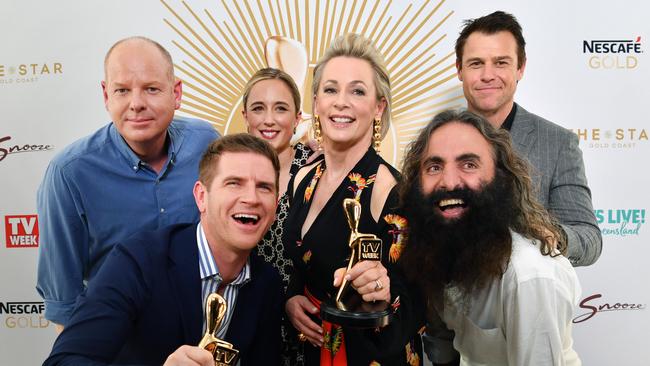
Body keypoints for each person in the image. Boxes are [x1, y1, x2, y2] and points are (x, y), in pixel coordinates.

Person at [43, 134, 282, 366]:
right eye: (233, 183)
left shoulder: (267, 283)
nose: (251, 198)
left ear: (276, 203)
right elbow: (64, 361)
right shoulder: (138, 261)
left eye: (264, 187)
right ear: (201, 197)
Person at [36, 36, 219, 331]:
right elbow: (65, 308)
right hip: (119, 345)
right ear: (106, 96)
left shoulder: (206, 141)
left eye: (151, 89)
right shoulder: (69, 174)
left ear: (177, 93)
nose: (136, 104)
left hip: (202, 335)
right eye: (122, 90)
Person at [399, 110, 582, 365]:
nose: (449, 182)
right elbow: (443, 348)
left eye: (469, 165)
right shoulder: (441, 250)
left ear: (501, 177)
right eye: (434, 166)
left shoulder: (528, 276)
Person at [283, 33, 423, 365]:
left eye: (357, 91)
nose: (341, 102)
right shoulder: (303, 177)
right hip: (312, 348)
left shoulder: (391, 190)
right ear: (316, 102)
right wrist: (291, 298)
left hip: (371, 356)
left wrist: (384, 293)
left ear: (378, 107)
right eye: (330, 89)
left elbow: (417, 299)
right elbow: (301, 263)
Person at [455, 11, 601, 266]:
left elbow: (589, 239)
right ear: (459, 70)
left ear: (520, 68)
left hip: (529, 301)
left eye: (501, 63)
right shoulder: (435, 143)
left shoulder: (557, 143)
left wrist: (551, 236)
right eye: (476, 63)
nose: (487, 75)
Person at [241, 68, 314, 365]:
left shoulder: (317, 171)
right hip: (249, 320)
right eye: (259, 108)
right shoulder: (232, 169)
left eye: (280, 108)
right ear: (245, 115)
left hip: (306, 324)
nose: (269, 119)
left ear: (297, 118)